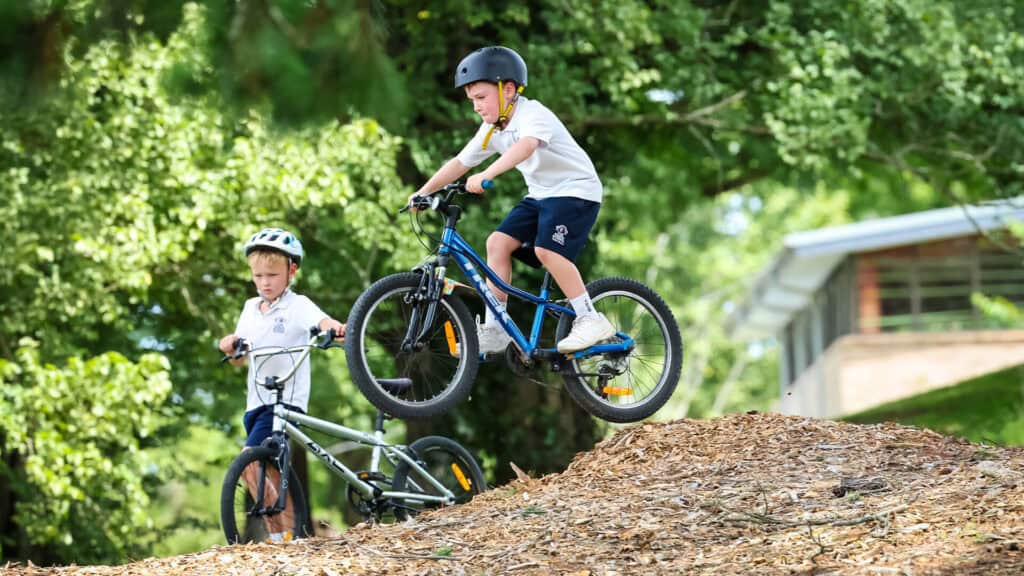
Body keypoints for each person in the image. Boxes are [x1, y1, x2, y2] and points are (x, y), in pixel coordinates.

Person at [409, 46, 615, 355]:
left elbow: (527, 146)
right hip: (542, 195)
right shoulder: (492, 130)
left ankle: (590, 317)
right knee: (496, 243)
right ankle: (495, 328)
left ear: (508, 89)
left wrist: (487, 174)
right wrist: (423, 192)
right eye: (472, 101)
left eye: (481, 98)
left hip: (576, 190)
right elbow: (460, 163)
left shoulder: (533, 114)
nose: (476, 107)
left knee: (547, 250)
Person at [218, 227, 345, 542]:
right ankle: (286, 539)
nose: (264, 282)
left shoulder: (297, 304)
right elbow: (239, 359)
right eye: (258, 276)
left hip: (283, 399)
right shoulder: (250, 308)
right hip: (256, 401)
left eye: (272, 275)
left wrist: (337, 328)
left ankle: (284, 535)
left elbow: (322, 322)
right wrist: (230, 346)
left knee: (248, 460)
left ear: (291, 271)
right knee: (263, 471)